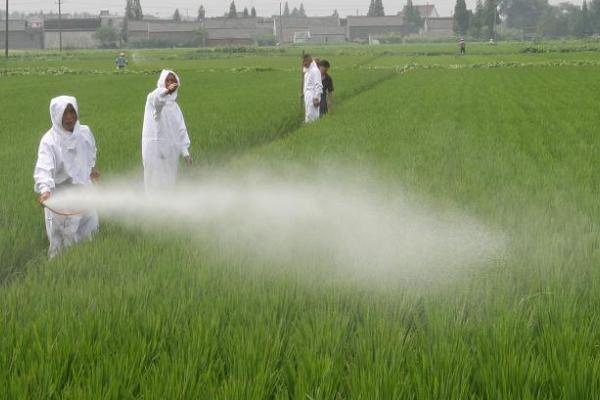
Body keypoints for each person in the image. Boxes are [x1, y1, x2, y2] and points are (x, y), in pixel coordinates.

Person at [34, 96, 99, 258]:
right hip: (62, 198)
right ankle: (61, 271)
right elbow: (44, 167)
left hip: (85, 192)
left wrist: (91, 168)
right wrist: (45, 190)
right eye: (64, 113)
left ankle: (88, 266)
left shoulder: (84, 132)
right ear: (56, 115)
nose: (69, 117)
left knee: (88, 231)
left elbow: (91, 150)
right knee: (64, 243)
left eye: (72, 112)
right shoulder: (49, 141)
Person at [142, 69, 192, 191]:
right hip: (155, 147)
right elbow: (157, 101)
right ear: (162, 82)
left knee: (169, 178)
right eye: (167, 80)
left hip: (171, 149)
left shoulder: (175, 107)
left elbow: (181, 130)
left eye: (173, 80)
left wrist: (185, 152)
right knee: (154, 178)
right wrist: (166, 91)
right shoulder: (152, 99)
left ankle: (167, 203)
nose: (170, 83)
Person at [301, 54, 323, 123]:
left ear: (310, 61)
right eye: (303, 61)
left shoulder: (315, 71)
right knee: (308, 116)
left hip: (313, 99)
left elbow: (318, 85)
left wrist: (316, 98)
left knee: (313, 118)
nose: (304, 63)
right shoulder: (307, 72)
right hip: (307, 98)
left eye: (305, 61)